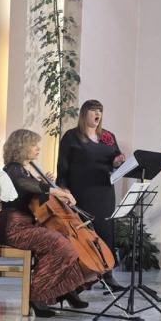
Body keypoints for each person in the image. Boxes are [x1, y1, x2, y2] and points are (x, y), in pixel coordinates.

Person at [0, 129, 95, 317]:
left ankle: (66, 289)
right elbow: (22, 184)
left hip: (25, 225)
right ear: (21, 147)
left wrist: (45, 184)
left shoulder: (24, 170)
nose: (38, 148)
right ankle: (37, 296)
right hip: (12, 228)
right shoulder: (13, 168)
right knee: (61, 245)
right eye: (33, 144)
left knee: (69, 241)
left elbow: (31, 194)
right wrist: (53, 190)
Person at [57, 99, 126, 291]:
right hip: (80, 192)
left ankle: (108, 275)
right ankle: (80, 278)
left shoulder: (108, 136)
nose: (98, 114)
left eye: (100, 111)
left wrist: (118, 161)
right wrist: (63, 188)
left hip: (104, 191)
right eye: (94, 110)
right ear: (84, 113)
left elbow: (115, 159)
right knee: (84, 235)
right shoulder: (72, 136)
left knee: (105, 232)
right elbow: (62, 165)